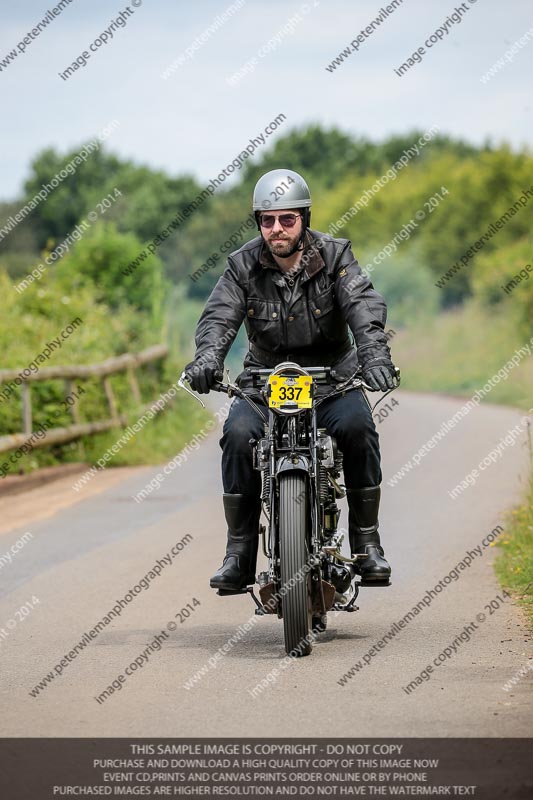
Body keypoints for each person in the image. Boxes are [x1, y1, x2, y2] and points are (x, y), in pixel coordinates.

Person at [184, 169, 399, 593]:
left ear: (304, 218)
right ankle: (239, 553)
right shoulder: (242, 265)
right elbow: (219, 316)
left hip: (331, 381)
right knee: (237, 432)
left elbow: (363, 306)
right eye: (267, 221)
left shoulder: (336, 257)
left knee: (359, 428)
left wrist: (374, 356)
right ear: (258, 224)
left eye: (286, 219)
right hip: (265, 382)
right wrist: (208, 357)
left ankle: (367, 542)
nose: (276, 229)